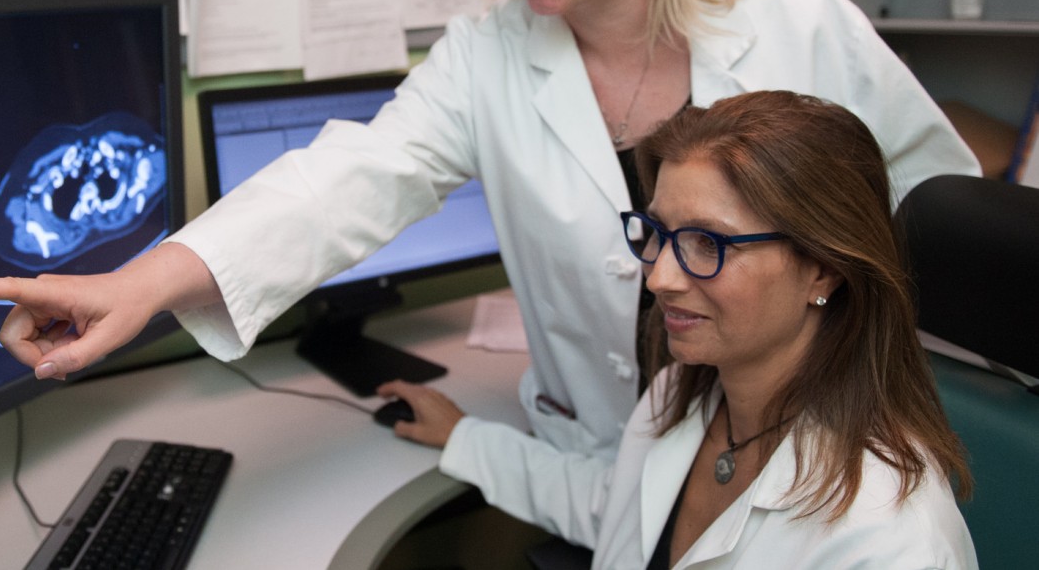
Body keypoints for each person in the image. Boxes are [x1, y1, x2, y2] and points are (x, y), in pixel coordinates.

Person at [0, 0, 978, 531]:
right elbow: (352, 177)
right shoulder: (490, 51)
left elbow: (934, 215)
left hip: (801, 459)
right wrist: (142, 283)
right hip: (602, 462)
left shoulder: (794, 22)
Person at [390, 90, 978, 567]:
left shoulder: (891, 541)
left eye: (709, 243)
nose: (659, 278)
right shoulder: (682, 395)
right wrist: (465, 439)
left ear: (822, 268)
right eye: (660, 233)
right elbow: (614, 512)